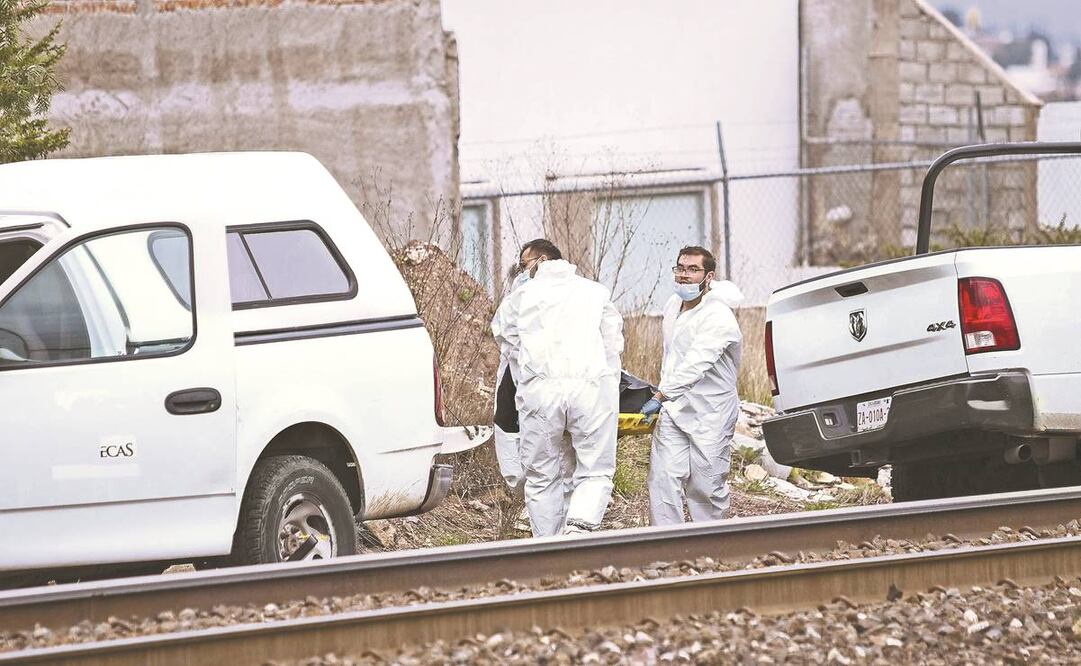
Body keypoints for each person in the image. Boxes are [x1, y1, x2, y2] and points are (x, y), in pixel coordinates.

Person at [492, 239, 624, 537]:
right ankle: (578, 531)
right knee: (595, 470)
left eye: (524, 265)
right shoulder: (595, 292)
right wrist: (606, 389)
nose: (522, 272)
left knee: (542, 474)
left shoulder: (519, 298)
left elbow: (508, 342)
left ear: (540, 260)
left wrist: (531, 375)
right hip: (591, 388)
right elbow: (612, 344)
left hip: (541, 391)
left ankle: (547, 545)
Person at [641, 246, 743, 525]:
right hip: (675, 408)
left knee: (706, 485)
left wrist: (661, 395)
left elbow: (697, 362)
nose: (684, 275)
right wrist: (663, 396)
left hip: (711, 412)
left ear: (708, 276)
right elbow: (672, 358)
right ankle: (666, 546)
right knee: (663, 479)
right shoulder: (673, 306)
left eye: (692, 269)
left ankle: (708, 547)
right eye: (680, 268)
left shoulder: (718, 316)